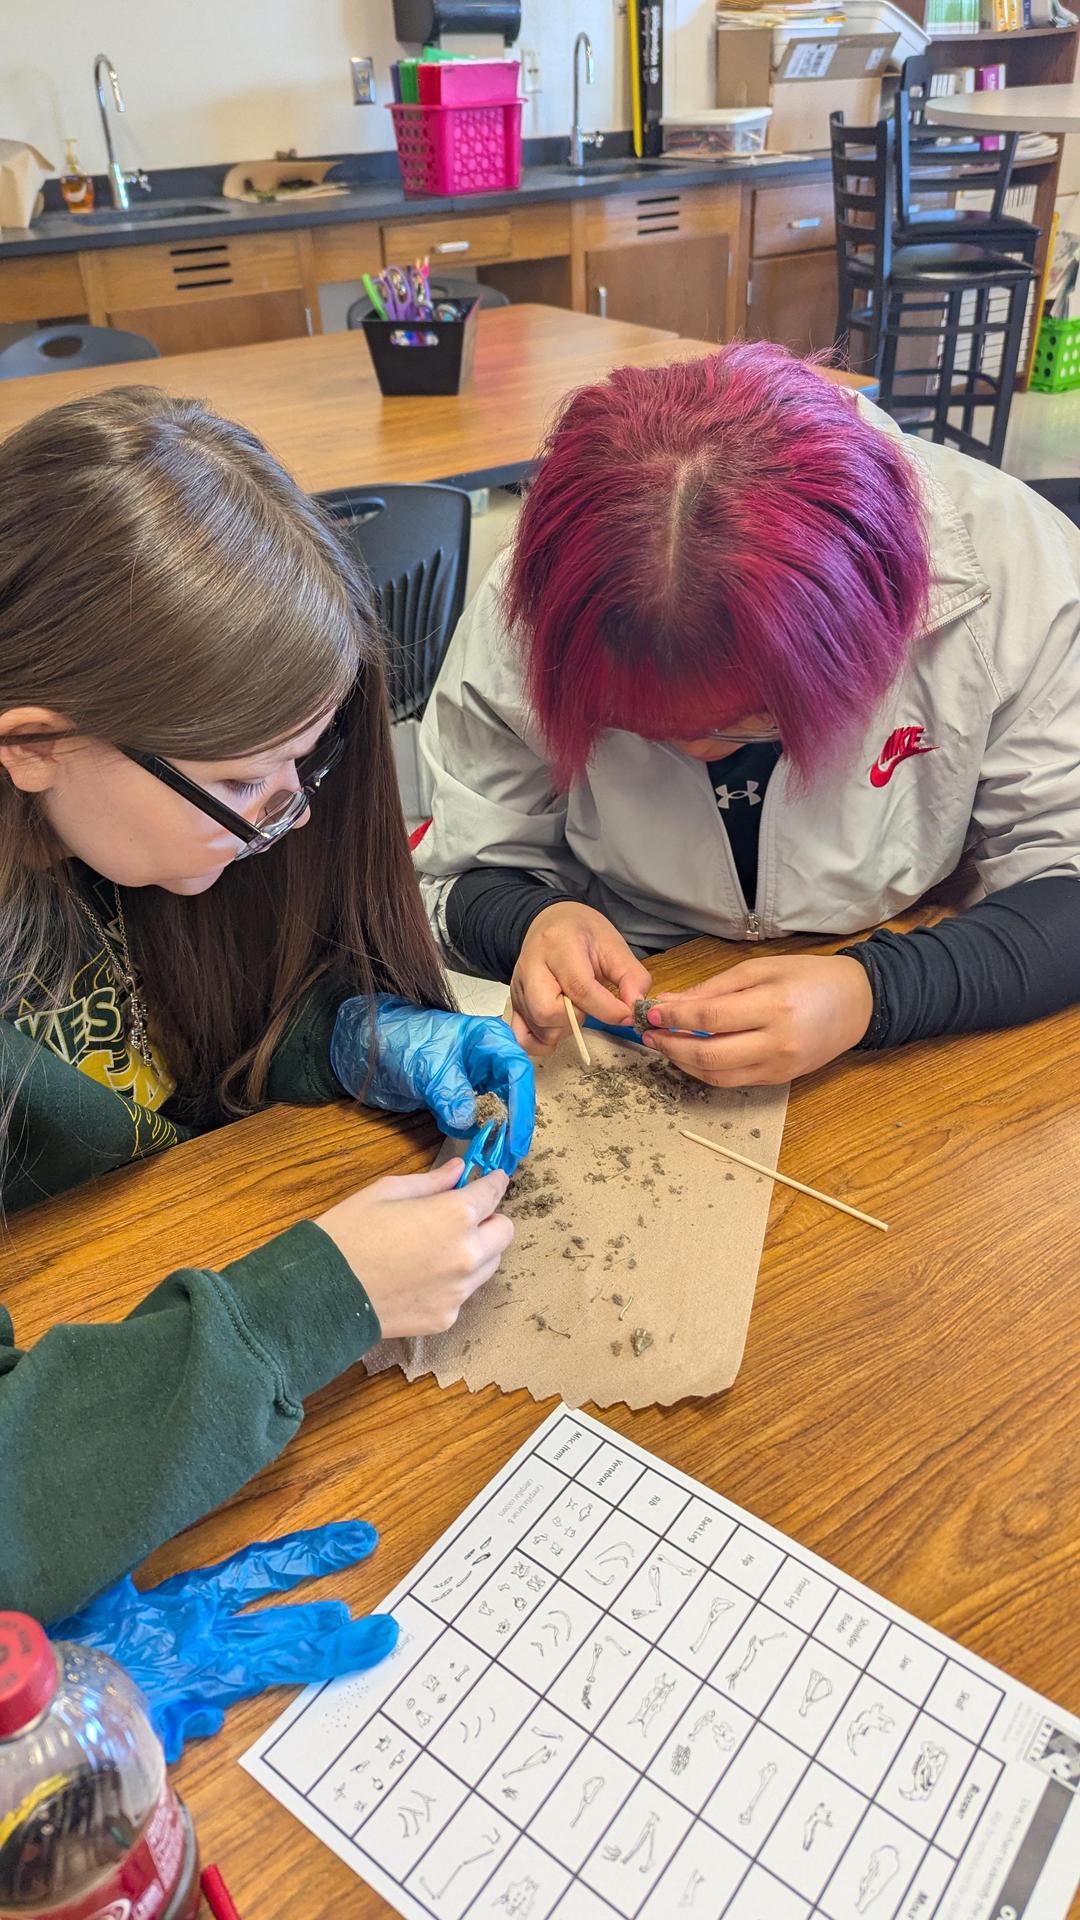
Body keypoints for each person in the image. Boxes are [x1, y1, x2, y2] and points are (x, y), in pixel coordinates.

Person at [0, 388, 534, 1622]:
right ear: (31, 742)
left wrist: (342, 1036)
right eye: (243, 780)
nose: (285, 816)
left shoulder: (107, 825)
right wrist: (320, 1302)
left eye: (307, 764)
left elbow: (158, 1038)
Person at [416, 343, 1080, 1083]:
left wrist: (874, 993)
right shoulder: (541, 601)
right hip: (641, 964)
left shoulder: (1011, 569)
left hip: (906, 955)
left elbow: (1067, 880)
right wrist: (530, 922)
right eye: (635, 726)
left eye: (746, 722)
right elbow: (463, 865)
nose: (700, 754)